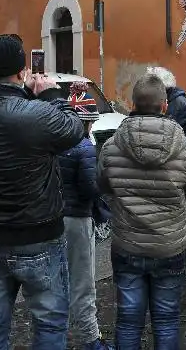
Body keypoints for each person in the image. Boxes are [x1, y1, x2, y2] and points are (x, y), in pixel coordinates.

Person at [0, 34, 84, 349]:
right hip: (36, 235)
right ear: (22, 70)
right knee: (50, 323)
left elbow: (9, 121)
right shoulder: (34, 113)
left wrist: (25, 94)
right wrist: (51, 93)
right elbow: (74, 129)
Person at [98, 74, 186, 349]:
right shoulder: (185, 150)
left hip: (127, 245)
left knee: (128, 321)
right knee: (167, 320)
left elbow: (103, 185)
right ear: (165, 106)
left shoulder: (110, 147)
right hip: (169, 244)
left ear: (133, 104)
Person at [54, 83, 112, 350]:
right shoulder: (84, 147)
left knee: (57, 282)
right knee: (83, 282)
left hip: (52, 219)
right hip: (77, 219)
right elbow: (90, 187)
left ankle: (56, 336)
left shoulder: (52, 143)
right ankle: (91, 339)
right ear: (87, 122)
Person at [146, 66, 186, 273]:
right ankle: (185, 254)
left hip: (171, 167)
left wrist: (176, 144)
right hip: (159, 167)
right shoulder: (156, 103)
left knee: (166, 219)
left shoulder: (179, 103)